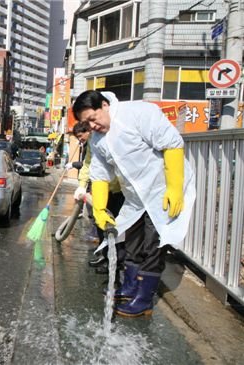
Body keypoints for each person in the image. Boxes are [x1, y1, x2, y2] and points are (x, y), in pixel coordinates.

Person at [72, 90, 195, 317]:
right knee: (132, 243)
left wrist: (175, 188)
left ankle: (143, 300)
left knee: (153, 245)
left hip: (162, 192)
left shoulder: (138, 113)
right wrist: (99, 209)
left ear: (105, 105)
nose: (92, 126)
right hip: (136, 198)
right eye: (86, 123)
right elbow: (100, 175)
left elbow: (172, 143)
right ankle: (130, 287)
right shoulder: (98, 141)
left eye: (93, 118)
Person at [69, 121, 125, 274]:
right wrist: (82, 184)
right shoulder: (91, 145)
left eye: (81, 136)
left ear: (88, 131)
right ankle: (105, 256)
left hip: (117, 190)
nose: (80, 140)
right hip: (101, 190)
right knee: (100, 224)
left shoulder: (107, 139)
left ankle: (117, 261)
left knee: (114, 225)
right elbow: (88, 164)